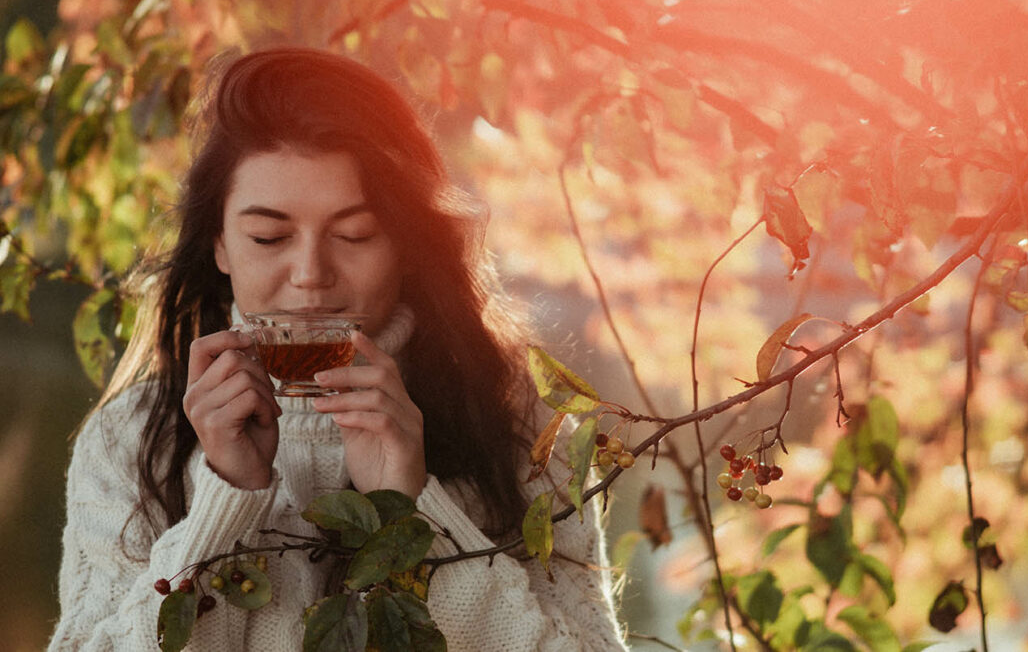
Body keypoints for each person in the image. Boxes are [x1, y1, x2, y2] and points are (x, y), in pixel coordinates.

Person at [47, 47, 629, 651]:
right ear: (219, 244)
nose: (310, 274)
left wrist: (412, 513)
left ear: (406, 242)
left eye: (355, 234)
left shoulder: (518, 424)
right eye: (269, 236)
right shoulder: (134, 436)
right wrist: (223, 505)